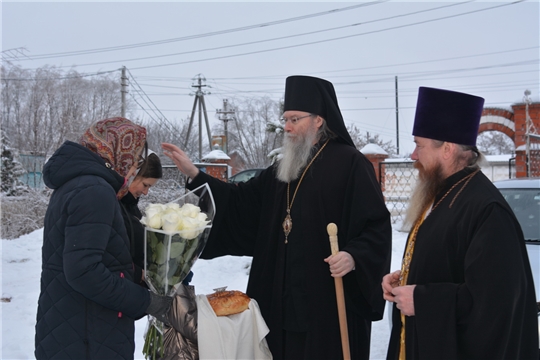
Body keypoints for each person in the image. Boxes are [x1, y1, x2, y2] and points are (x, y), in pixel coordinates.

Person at [162, 75, 392, 359]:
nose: (287, 126)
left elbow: (376, 227)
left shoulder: (351, 164)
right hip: (278, 296)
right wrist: (195, 175)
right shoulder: (283, 167)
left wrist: (353, 255)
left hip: (324, 301)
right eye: (285, 119)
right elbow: (240, 202)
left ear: (318, 119)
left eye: (295, 119)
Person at [382, 87, 539, 359]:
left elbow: (495, 303)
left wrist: (421, 299)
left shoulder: (487, 210)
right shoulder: (441, 194)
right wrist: (406, 279)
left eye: (419, 145)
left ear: (447, 149)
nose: (413, 156)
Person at [35, 117, 173, 360]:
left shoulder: (79, 184)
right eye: (135, 156)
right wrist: (147, 302)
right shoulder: (94, 190)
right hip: (88, 336)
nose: (134, 166)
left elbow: (97, 258)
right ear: (120, 151)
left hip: (77, 328)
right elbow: (84, 272)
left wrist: (136, 274)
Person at [120, 152, 163, 287]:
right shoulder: (112, 205)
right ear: (132, 174)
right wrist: (138, 273)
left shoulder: (131, 206)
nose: (146, 192)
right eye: (145, 185)